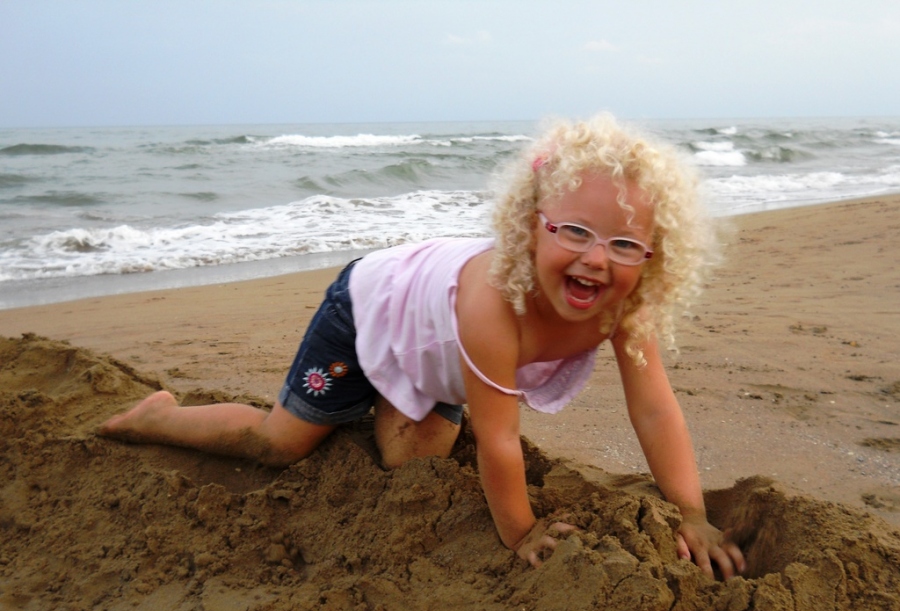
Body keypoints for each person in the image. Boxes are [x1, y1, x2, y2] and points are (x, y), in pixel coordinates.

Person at [99, 114, 746, 579]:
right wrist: (520, 531)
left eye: (625, 245)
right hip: (369, 309)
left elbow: (655, 410)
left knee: (412, 467)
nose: (597, 260)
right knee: (281, 445)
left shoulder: (627, 311)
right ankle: (155, 415)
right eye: (574, 231)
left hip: (438, 357)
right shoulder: (497, 306)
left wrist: (691, 511)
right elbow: (498, 439)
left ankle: (393, 395)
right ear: (530, 227)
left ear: (654, 257)